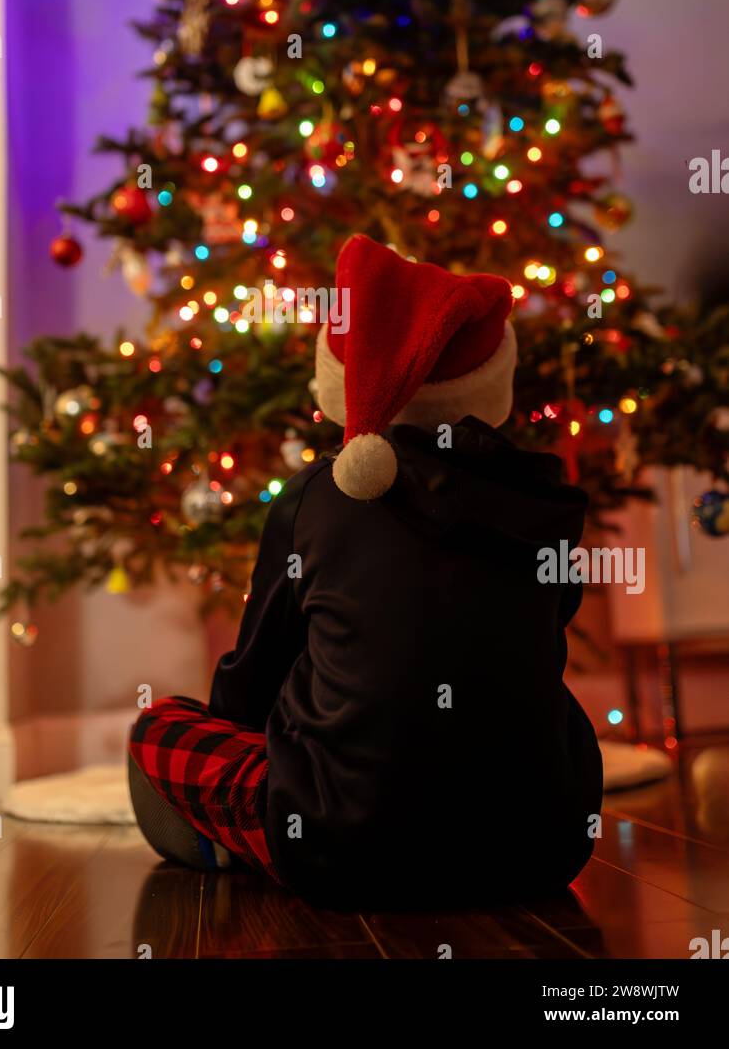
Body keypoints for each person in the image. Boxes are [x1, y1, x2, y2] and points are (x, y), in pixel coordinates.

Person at [129, 233, 603, 908]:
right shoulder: (544, 499)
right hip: (541, 848)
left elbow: (251, 681)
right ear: (490, 384)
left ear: (341, 380)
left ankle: (237, 842)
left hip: (342, 847)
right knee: (549, 704)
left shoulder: (317, 498)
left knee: (160, 728)